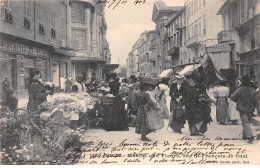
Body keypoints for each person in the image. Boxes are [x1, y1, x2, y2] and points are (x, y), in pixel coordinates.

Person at [231, 75, 257, 144]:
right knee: (247, 121)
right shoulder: (253, 90)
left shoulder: (240, 89)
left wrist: (238, 101)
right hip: (250, 108)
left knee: (245, 122)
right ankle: (245, 135)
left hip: (242, 108)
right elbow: (256, 101)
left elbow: (232, 97)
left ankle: (250, 137)